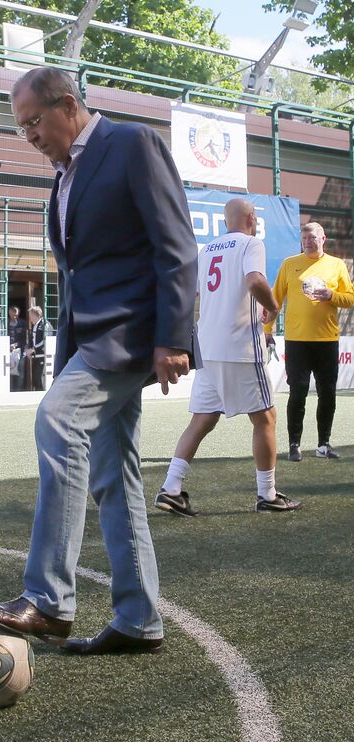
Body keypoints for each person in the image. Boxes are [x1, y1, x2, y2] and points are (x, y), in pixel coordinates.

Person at [0, 66, 197, 655]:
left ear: (68, 105)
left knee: (58, 420)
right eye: (22, 129)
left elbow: (176, 245)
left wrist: (173, 336)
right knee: (112, 473)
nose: (31, 137)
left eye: (34, 122)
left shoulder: (132, 143)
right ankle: (139, 618)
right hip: (90, 339)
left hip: (132, 335)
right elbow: (76, 275)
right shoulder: (62, 177)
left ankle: (47, 598)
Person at [155, 198, 301, 518]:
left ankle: (171, 488)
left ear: (224, 221)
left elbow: (190, 294)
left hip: (208, 347)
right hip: (240, 347)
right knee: (265, 417)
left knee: (202, 419)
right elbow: (254, 281)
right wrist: (274, 307)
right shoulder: (251, 244)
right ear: (251, 217)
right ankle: (267, 494)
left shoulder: (206, 251)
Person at [265, 221, 354, 461]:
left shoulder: (336, 265)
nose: (307, 241)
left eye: (312, 238)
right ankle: (294, 444)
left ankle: (323, 444)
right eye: (304, 238)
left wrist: (332, 295)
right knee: (298, 392)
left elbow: (350, 298)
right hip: (297, 342)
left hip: (327, 340)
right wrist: (267, 329)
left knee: (327, 394)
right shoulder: (289, 264)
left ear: (323, 239)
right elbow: (275, 300)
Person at [25, 306, 46, 391]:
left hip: (42, 355)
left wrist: (34, 349)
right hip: (36, 355)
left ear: (36, 315)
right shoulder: (35, 326)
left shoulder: (44, 324)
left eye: (31, 315)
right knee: (35, 378)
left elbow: (45, 340)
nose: (29, 318)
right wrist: (29, 349)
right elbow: (32, 339)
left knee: (39, 377)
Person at [8, 305, 27, 391]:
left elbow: (25, 338)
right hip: (8, 351)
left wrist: (16, 344)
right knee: (9, 371)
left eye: (16, 315)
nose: (15, 317)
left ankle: (19, 390)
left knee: (20, 371)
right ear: (9, 313)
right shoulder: (6, 323)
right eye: (13, 314)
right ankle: (10, 389)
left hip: (20, 350)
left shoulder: (23, 323)